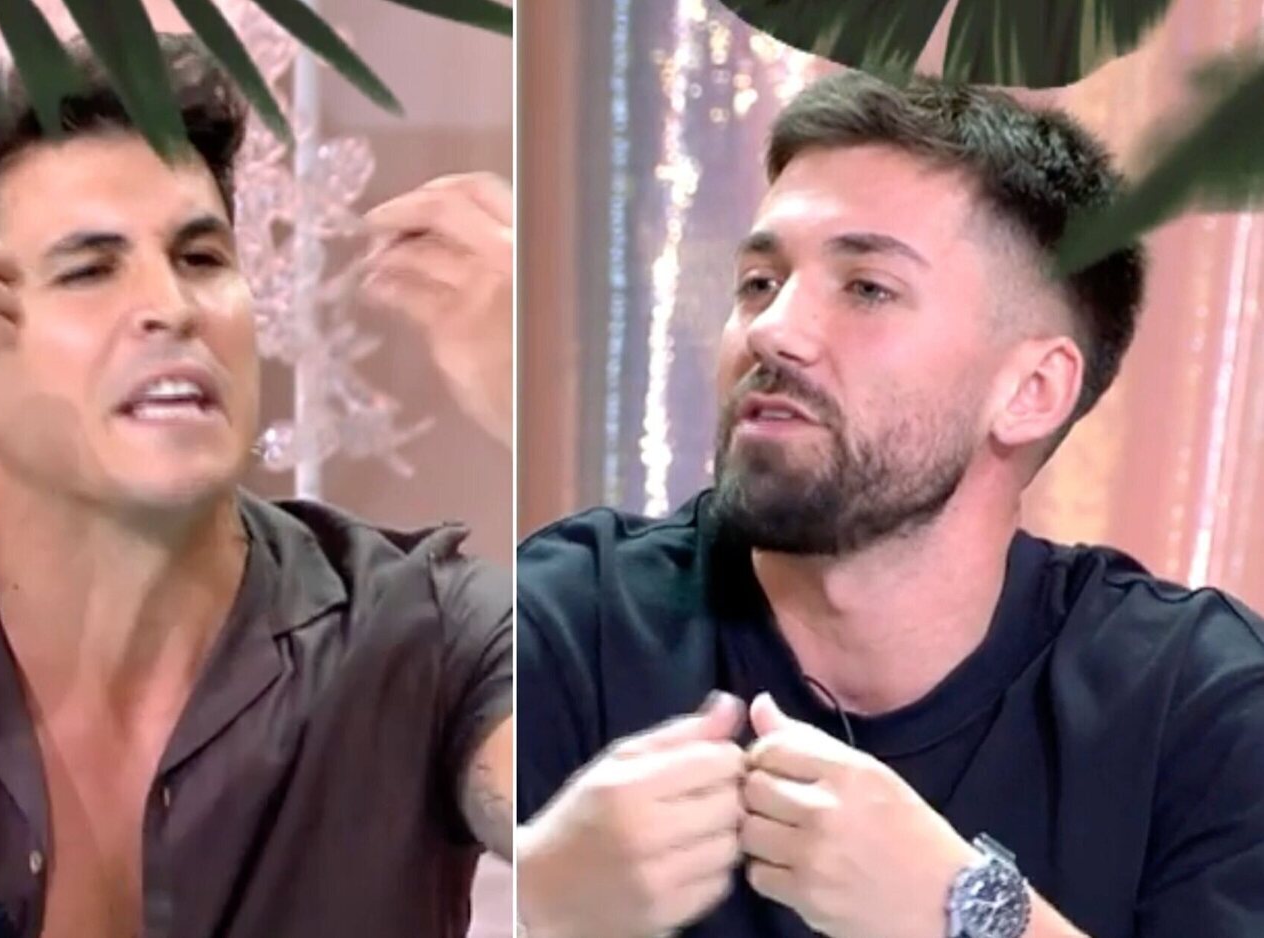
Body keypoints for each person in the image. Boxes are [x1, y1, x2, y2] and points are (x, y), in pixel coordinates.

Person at [0, 35, 512, 938]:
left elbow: (630, 809)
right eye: (89, 269)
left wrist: (547, 395)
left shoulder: (421, 633)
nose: (172, 306)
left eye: (201, 259)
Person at [515, 71, 1264, 938]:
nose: (772, 330)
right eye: (759, 282)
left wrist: (967, 912)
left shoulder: (1199, 705)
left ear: (1030, 391)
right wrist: (541, 904)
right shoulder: (569, 624)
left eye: (867, 287)